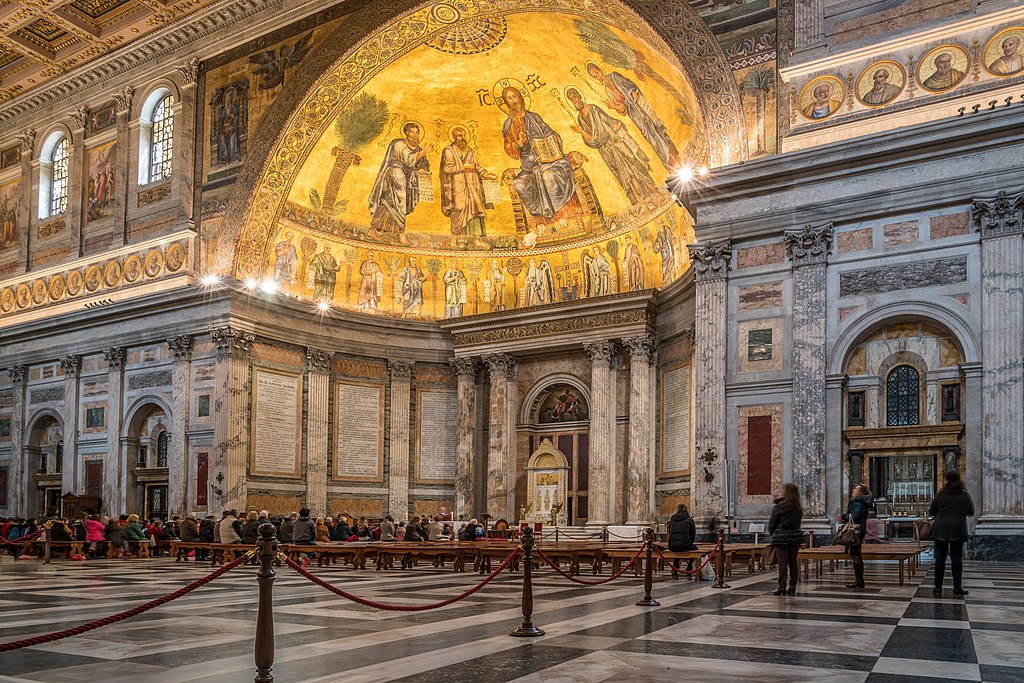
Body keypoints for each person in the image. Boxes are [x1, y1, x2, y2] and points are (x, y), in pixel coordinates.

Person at [501, 86, 580, 228]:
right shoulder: (508, 125)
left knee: (548, 176)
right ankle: (540, 219)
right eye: (509, 98)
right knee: (519, 184)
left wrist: (552, 140)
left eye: (515, 96)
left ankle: (560, 213)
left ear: (520, 97)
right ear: (507, 103)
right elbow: (509, 149)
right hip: (528, 167)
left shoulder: (534, 117)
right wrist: (519, 143)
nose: (513, 101)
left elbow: (549, 132)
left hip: (548, 160)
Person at [566, 87, 655, 204]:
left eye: (575, 97)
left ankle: (650, 186)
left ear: (580, 96)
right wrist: (581, 131)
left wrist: (617, 124)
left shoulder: (593, 109)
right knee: (618, 170)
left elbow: (607, 119)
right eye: (572, 99)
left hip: (613, 141)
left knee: (631, 159)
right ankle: (634, 198)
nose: (575, 100)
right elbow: (590, 138)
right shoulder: (580, 119)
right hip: (603, 149)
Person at [585, 62, 679, 169]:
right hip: (634, 114)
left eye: (597, 73)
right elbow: (624, 111)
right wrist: (614, 107)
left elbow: (629, 84)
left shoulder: (614, 76)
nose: (598, 77)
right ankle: (667, 160)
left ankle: (672, 152)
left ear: (601, 70)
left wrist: (633, 92)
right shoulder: (608, 92)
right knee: (648, 134)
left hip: (639, 104)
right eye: (595, 76)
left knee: (656, 127)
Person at [367, 122, 432, 244]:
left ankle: (385, 231)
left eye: (417, 132)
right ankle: (399, 233)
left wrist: (423, 170)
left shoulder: (418, 149)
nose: (415, 135)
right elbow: (407, 160)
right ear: (407, 132)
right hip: (395, 176)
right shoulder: (398, 144)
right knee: (392, 202)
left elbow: (423, 163)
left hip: (408, 180)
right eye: (412, 132)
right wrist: (422, 154)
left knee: (399, 204)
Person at [440, 125, 495, 247]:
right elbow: (447, 168)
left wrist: (486, 174)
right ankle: (454, 238)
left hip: (473, 185)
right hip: (458, 185)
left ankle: (477, 240)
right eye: (460, 135)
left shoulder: (470, 151)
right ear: (454, 137)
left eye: (464, 135)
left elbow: (476, 166)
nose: (463, 138)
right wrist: (463, 167)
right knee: (458, 209)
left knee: (476, 210)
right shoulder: (448, 150)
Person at [928, 470, 975, 596]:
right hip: (957, 529)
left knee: (940, 559)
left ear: (947, 480)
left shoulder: (940, 494)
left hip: (941, 529)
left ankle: (937, 587)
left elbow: (931, 512)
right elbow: (971, 512)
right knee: (956, 559)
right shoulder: (964, 495)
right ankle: (957, 587)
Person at [769, 483, 804, 596]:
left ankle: (781, 587)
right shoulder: (798, 508)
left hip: (781, 537)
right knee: (793, 562)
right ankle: (793, 585)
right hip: (795, 537)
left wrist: (773, 533)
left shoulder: (779, 506)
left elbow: (772, 523)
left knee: (782, 562)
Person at [840, 484, 872, 589]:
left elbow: (855, 516)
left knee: (855, 554)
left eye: (856, 489)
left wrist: (843, 517)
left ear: (861, 492)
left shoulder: (858, 502)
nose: (853, 490)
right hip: (859, 530)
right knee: (855, 554)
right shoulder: (863, 502)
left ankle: (859, 581)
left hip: (856, 531)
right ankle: (858, 580)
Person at [666, 503, 698, 579]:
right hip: (685, 545)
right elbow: (693, 534)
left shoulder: (672, 519)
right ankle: (689, 568)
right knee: (695, 549)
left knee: (678, 548)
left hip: (672, 545)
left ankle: (674, 569)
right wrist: (689, 542)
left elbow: (670, 532)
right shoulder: (690, 520)